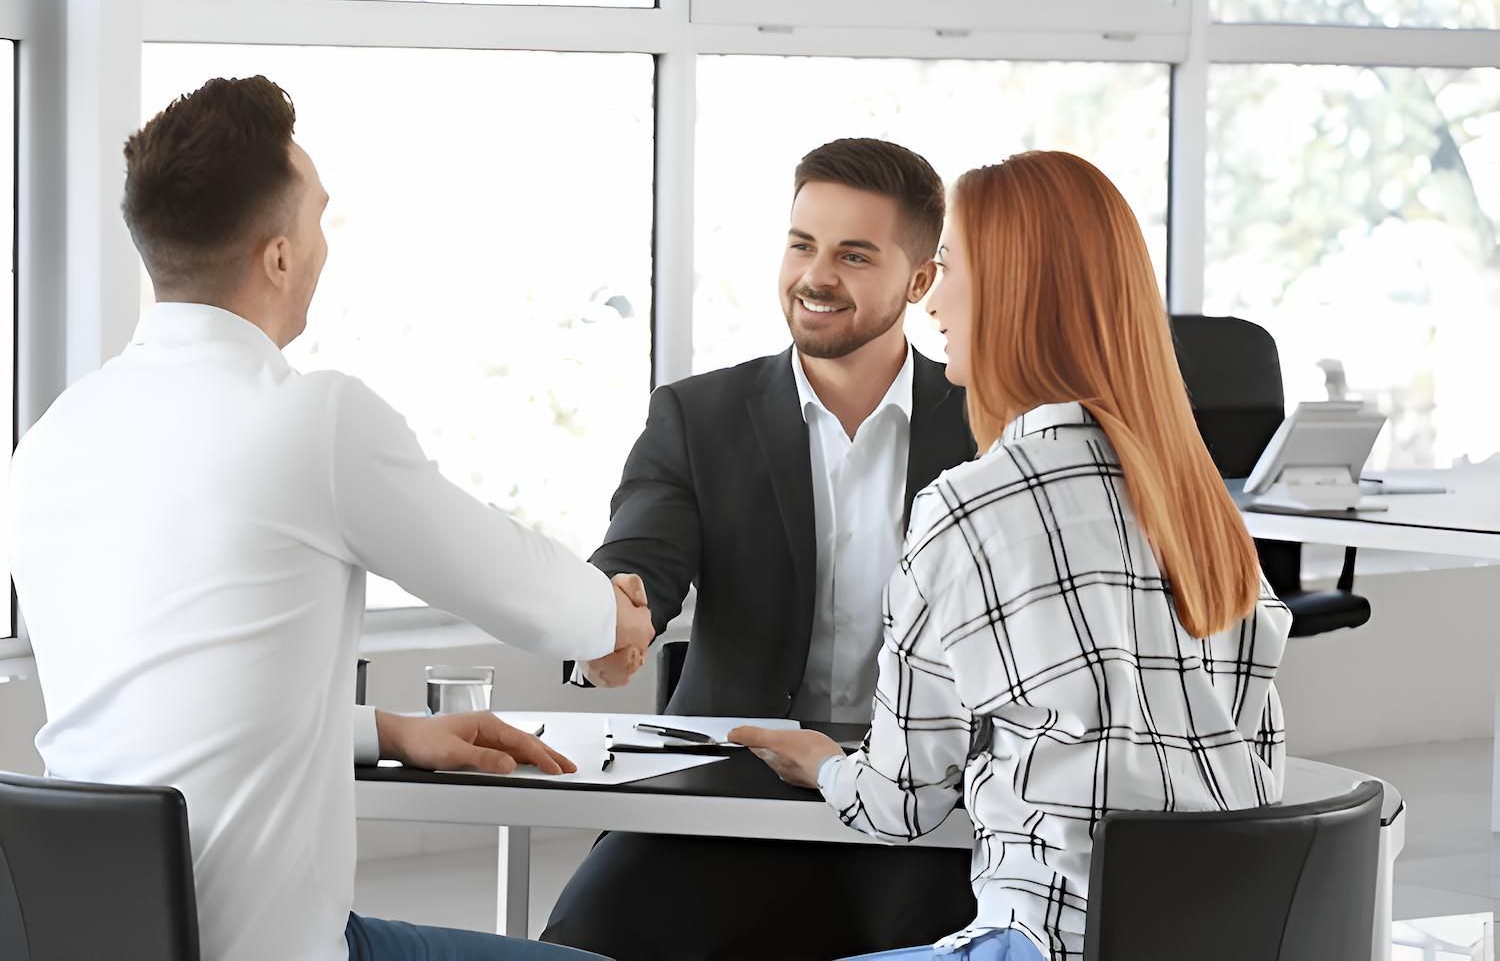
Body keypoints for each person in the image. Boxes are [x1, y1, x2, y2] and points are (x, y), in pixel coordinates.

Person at [6, 75, 653, 961]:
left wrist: (389, 732)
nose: (321, 246)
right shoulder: (310, 420)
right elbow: (524, 590)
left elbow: (160, 702)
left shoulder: (51, 440)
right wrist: (613, 620)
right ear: (278, 255)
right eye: (317, 220)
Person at [731, 151, 1293, 961]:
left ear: (1013, 293)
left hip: (1046, 943)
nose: (935, 303)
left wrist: (825, 765)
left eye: (950, 267)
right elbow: (1252, 778)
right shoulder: (1204, 508)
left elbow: (901, 804)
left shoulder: (972, 506)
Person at [543, 139, 978, 960]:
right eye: (802, 245)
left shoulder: (986, 427)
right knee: (587, 939)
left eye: (854, 255)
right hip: (726, 789)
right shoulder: (698, 415)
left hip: (925, 801)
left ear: (920, 282)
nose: (816, 276)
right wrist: (607, 624)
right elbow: (640, 552)